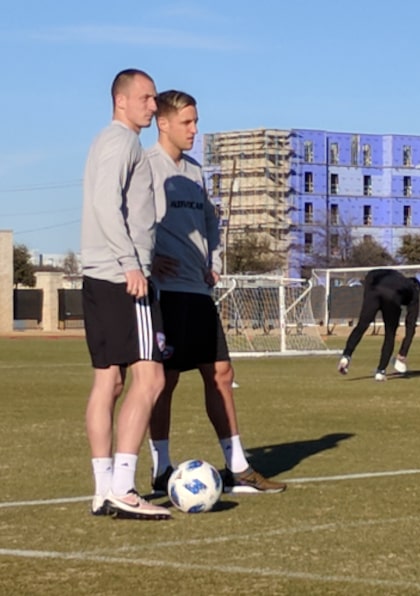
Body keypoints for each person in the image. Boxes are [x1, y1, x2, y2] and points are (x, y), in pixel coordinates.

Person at [146, 90, 286, 494]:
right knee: (164, 381)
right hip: (164, 293)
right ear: (164, 123)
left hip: (197, 290)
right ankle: (161, 468)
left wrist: (214, 261)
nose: (194, 129)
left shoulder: (194, 171)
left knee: (221, 373)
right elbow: (129, 221)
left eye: (196, 121)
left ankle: (238, 467)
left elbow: (210, 221)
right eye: (187, 122)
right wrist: (147, 261)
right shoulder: (146, 167)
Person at [81, 69, 170, 520]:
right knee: (150, 378)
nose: (153, 107)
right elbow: (104, 203)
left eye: (154, 99)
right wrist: (131, 262)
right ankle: (122, 486)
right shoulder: (123, 142)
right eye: (147, 98)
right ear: (121, 100)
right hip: (122, 279)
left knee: (109, 381)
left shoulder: (103, 140)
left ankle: (102, 491)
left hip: (100, 277)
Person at [337, 269, 420, 381]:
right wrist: (402, 354)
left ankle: (346, 356)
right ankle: (380, 372)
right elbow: (410, 327)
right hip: (392, 297)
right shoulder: (413, 292)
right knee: (389, 335)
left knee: (362, 325)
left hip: (374, 291)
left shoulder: (394, 275)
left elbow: (370, 276)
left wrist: (368, 296)